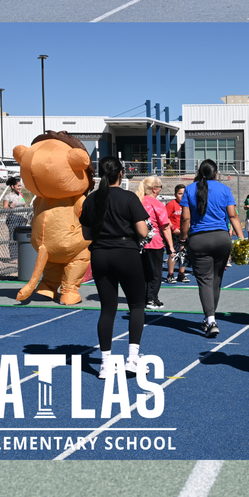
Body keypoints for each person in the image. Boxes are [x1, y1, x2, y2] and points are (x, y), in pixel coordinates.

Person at [78, 156, 149, 376]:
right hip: (126, 253)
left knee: (107, 309)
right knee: (136, 306)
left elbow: (86, 234)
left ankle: (105, 363)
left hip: (100, 254)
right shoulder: (129, 198)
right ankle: (133, 359)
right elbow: (143, 232)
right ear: (121, 173)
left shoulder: (91, 199)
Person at [180, 158, 244, 337]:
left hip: (199, 239)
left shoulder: (190, 189)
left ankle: (210, 319)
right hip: (222, 238)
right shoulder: (224, 189)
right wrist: (241, 237)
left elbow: (185, 218)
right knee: (216, 279)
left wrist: (183, 239)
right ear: (216, 173)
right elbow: (233, 216)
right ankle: (210, 316)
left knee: (204, 281)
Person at [136, 177, 174, 309]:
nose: (161, 189)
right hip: (154, 242)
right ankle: (151, 298)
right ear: (154, 189)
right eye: (160, 187)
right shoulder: (157, 204)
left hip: (140, 242)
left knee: (145, 272)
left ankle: (148, 297)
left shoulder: (138, 201)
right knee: (156, 273)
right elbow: (165, 226)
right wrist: (171, 247)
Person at [165, 184, 190, 283]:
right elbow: (165, 218)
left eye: (183, 194)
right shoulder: (171, 204)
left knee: (183, 254)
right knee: (173, 254)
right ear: (175, 194)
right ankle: (170, 274)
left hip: (184, 233)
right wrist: (173, 227)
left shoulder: (188, 205)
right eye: (179, 194)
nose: (182, 196)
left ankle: (181, 274)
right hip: (173, 234)